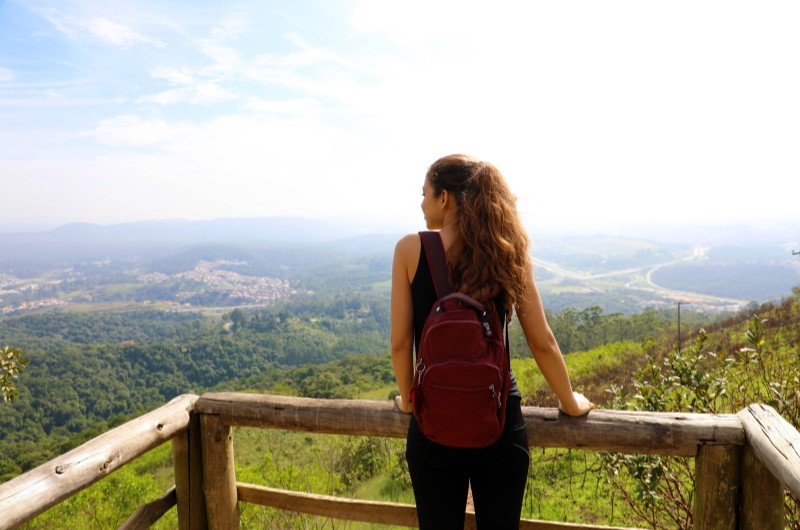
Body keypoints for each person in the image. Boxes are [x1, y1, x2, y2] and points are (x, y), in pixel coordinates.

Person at [390, 154, 594, 529]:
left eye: (424, 194)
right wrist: (570, 402)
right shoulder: (506, 249)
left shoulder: (409, 250)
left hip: (433, 423)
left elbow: (400, 344)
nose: (421, 204)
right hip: (498, 421)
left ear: (444, 198)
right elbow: (542, 342)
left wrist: (409, 400)